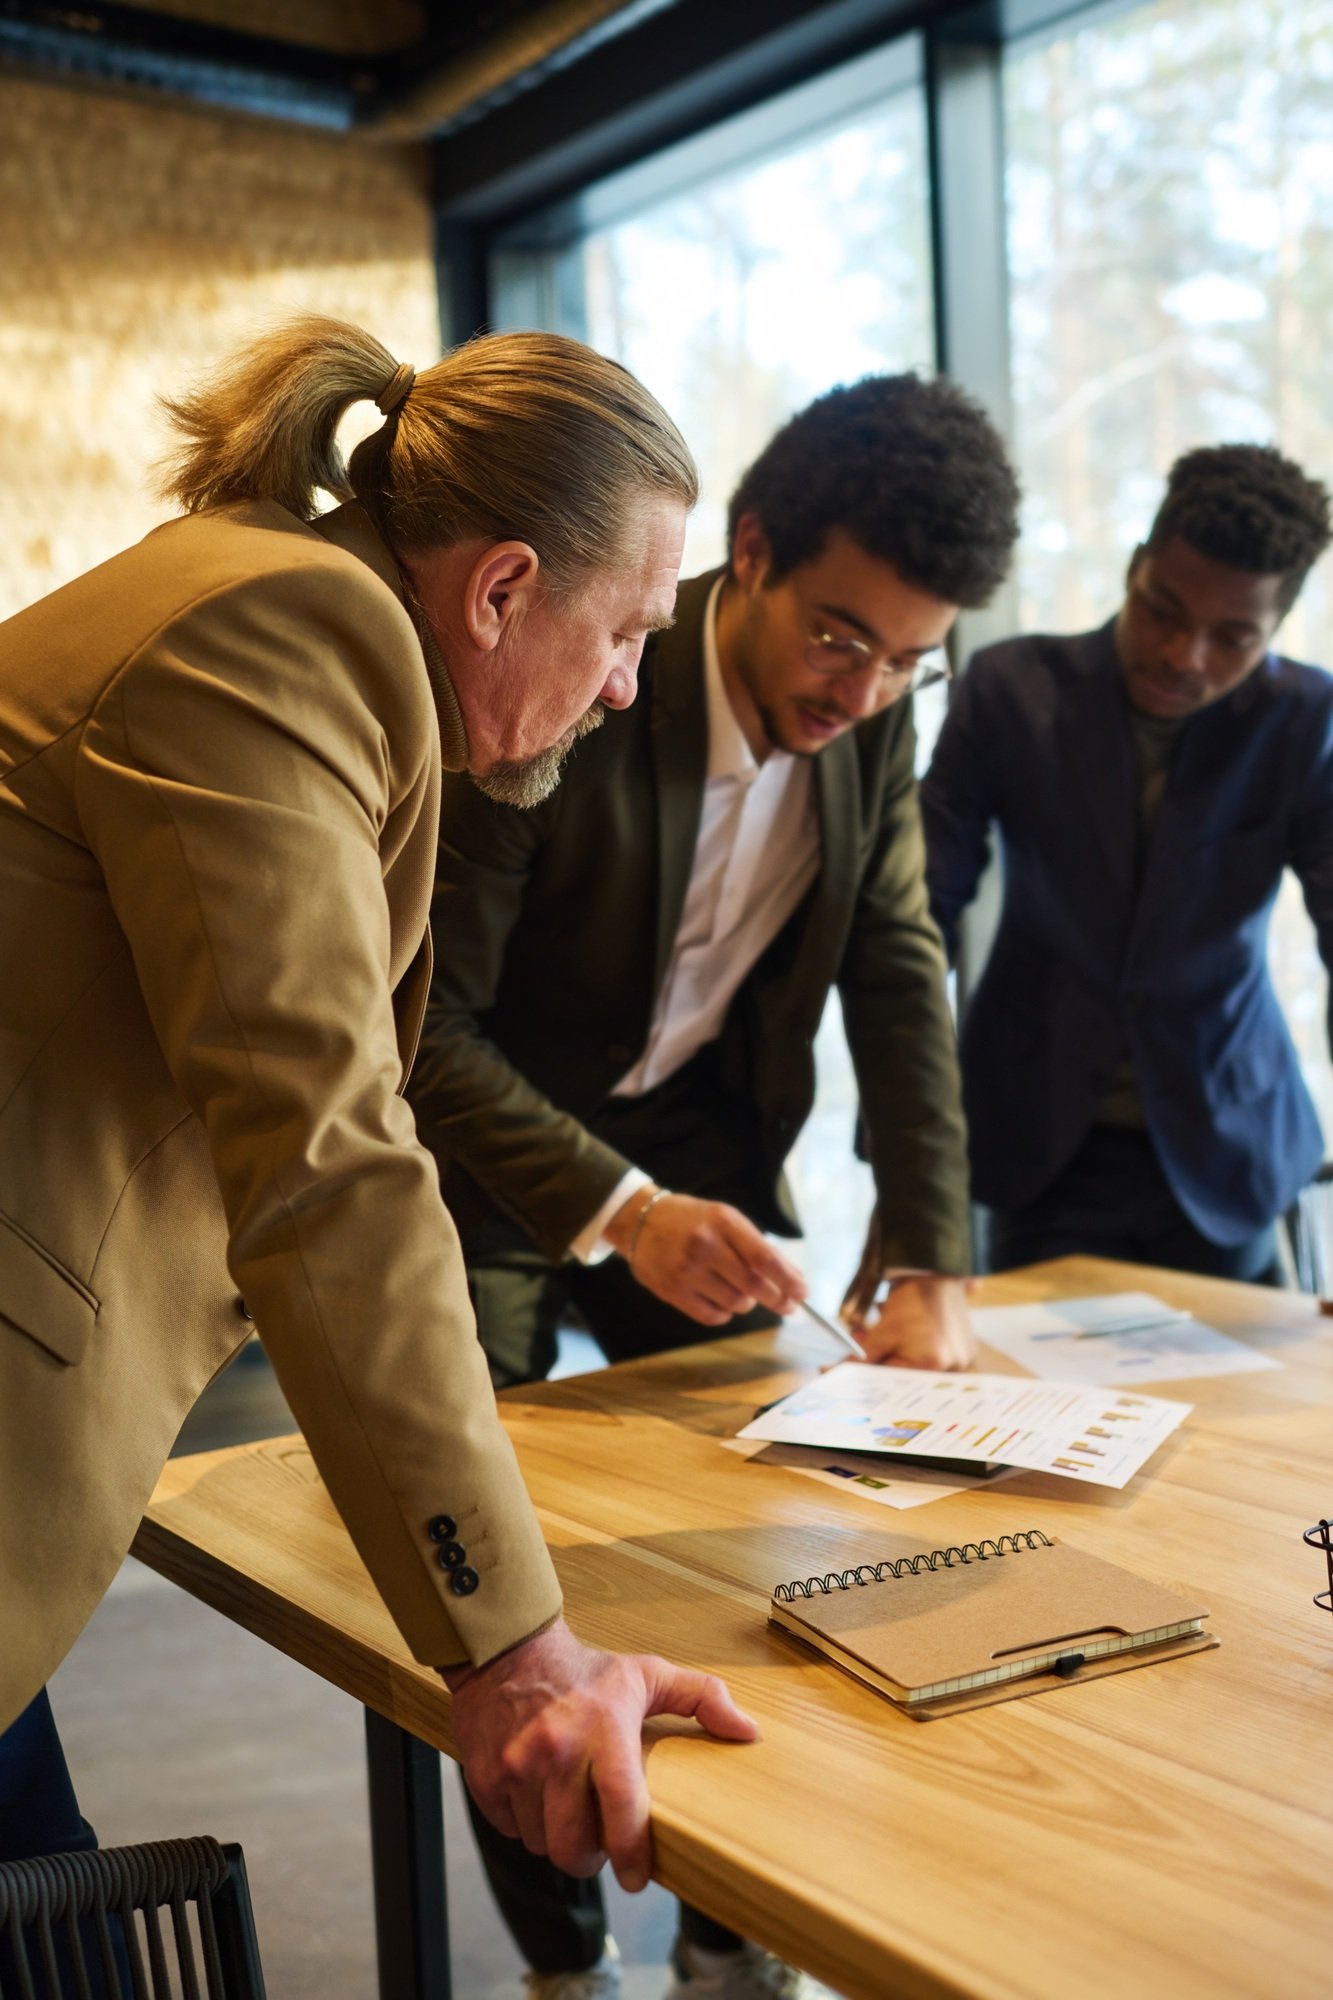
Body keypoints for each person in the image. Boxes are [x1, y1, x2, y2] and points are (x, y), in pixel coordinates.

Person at [0, 313, 760, 1905]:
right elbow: (327, 1156)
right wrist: (517, 1651)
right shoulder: (290, 631)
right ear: (500, 590)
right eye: (626, 632)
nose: (629, 688)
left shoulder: (255, 591)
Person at [406, 374, 1021, 1997]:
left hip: (702, 1151)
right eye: (838, 637)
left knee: (764, 1550)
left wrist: (929, 1257)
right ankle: (566, 1966)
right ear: (746, 552)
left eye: (907, 658)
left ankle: (730, 1946)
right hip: (489, 1163)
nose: (863, 688)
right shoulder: (581, 672)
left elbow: (897, 960)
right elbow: (424, 1027)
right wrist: (617, 1211)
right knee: (503, 1577)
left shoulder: (873, 717)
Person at [922, 442, 1333, 1281]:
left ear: (1275, 630)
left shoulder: (1303, 720)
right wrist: (908, 1173)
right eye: (1162, 610)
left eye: (1231, 638)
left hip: (1224, 1140)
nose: (1183, 656)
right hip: (1035, 1140)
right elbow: (914, 917)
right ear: (1134, 566)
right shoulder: (1009, 691)